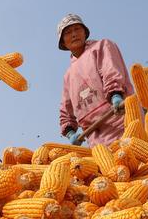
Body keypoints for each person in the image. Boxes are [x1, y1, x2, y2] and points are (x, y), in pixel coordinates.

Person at [56, 13, 135, 147]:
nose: (74, 34)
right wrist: (70, 132)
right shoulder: (68, 76)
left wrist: (116, 95)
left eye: (77, 29)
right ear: (63, 42)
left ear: (85, 32)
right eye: (68, 32)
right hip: (96, 138)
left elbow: (110, 70)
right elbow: (66, 108)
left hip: (122, 121)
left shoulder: (101, 47)